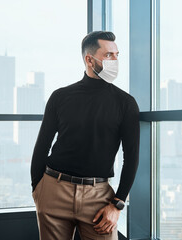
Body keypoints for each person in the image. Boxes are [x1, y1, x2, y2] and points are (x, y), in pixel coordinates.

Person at [30, 31, 140, 240]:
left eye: (117, 55)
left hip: (98, 197)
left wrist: (117, 204)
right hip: (54, 190)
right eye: (109, 55)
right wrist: (38, 189)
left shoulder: (125, 103)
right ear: (90, 59)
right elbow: (42, 145)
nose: (115, 60)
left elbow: (132, 157)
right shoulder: (60, 97)